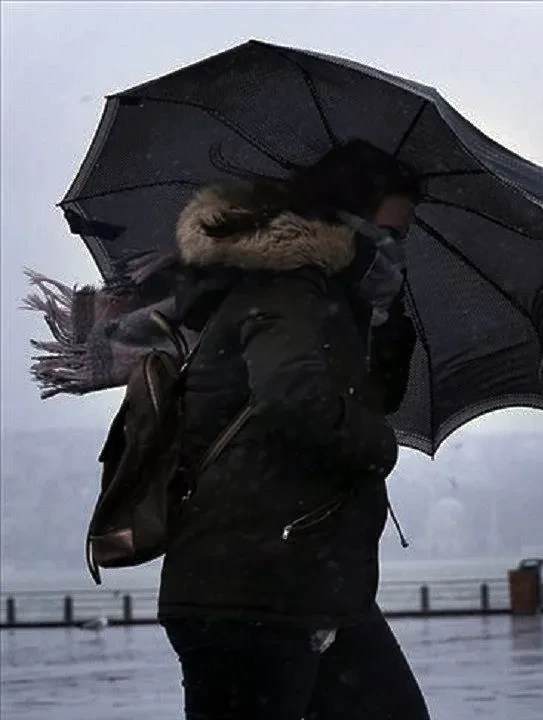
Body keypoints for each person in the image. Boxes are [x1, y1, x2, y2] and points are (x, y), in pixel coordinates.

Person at [157, 140, 428, 719]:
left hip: (311, 583)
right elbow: (293, 398)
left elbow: (370, 396)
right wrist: (380, 448)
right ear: (343, 221)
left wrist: (384, 320)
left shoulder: (337, 300)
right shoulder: (286, 288)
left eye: (403, 239)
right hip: (253, 587)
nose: (393, 251)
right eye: (387, 235)